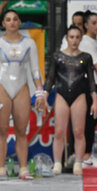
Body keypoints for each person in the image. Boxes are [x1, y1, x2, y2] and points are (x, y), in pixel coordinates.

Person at [44, 25, 97, 176]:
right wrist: (44, 95)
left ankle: (78, 163)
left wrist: (95, 100)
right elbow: (50, 79)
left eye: (77, 37)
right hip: (62, 95)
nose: (74, 40)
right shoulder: (57, 56)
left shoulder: (86, 57)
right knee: (59, 131)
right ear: (66, 38)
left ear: (81, 39)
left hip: (79, 96)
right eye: (71, 37)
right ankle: (57, 163)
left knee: (78, 131)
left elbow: (91, 82)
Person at [0, 10, 47, 180]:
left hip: (21, 88)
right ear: (3, 23)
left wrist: (40, 93)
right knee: (2, 130)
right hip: (2, 88)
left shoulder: (29, 43)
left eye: (15, 19)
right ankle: (1, 168)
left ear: (19, 22)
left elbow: (35, 70)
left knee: (21, 130)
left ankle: (23, 168)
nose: (12, 22)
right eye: (8, 19)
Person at [71, 10, 97, 169]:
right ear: (85, 25)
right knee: (86, 123)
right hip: (88, 87)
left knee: (91, 123)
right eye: (94, 23)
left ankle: (84, 155)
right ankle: (85, 156)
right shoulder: (86, 42)